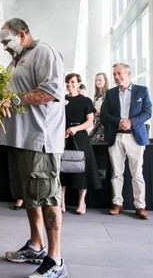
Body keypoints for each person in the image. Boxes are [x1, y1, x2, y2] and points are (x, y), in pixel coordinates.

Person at [0, 18, 67, 278]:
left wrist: (14, 99)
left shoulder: (44, 52)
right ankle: (36, 246)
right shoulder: (16, 60)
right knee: (30, 197)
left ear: (23, 34)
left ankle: (55, 260)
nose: (4, 46)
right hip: (19, 140)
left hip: (41, 141)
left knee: (47, 198)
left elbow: (49, 92)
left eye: (7, 40)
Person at [100, 63, 152, 220]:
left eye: (119, 73)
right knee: (117, 172)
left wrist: (131, 121)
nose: (116, 77)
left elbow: (148, 112)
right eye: (114, 74)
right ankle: (117, 203)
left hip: (135, 137)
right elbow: (104, 115)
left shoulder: (142, 91)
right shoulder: (110, 93)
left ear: (129, 73)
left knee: (137, 173)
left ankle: (140, 206)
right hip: (116, 136)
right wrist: (119, 121)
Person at [60, 73, 102, 215]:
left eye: (72, 82)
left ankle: (81, 202)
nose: (69, 84)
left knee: (82, 170)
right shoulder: (61, 100)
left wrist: (75, 129)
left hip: (80, 136)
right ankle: (61, 201)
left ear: (79, 83)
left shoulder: (86, 101)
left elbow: (89, 121)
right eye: (67, 82)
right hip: (63, 136)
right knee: (61, 170)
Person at [89, 73, 109, 142]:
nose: (97, 82)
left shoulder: (109, 94)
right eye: (96, 80)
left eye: (100, 80)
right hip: (97, 122)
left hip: (104, 124)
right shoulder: (96, 96)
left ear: (105, 81)